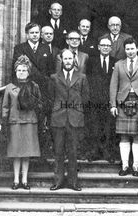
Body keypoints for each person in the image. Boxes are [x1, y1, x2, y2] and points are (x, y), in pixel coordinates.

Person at [109, 37, 138, 177]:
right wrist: (113, 105)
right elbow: (113, 86)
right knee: (124, 136)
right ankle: (125, 166)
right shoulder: (118, 64)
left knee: (137, 136)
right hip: (122, 102)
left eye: (132, 48)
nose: (130, 51)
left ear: (137, 48)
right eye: (127, 49)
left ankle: (136, 167)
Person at [48, 49, 89, 191]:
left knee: (73, 152)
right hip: (58, 119)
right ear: (61, 60)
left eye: (70, 59)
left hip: (74, 119)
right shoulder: (54, 77)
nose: (67, 61)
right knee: (58, 151)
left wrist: (76, 112)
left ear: (74, 60)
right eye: (65, 59)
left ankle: (73, 182)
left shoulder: (82, 77)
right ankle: (58, 181)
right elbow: (50, 98)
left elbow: (85, 98)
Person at [2, 55, 41, 190]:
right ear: (15, 71)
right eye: (19, 70)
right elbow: (5, 106)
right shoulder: (10, 87)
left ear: (28, 72)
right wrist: (4, 122)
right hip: (15, 122)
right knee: (16, 152)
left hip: (30, 122)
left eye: (24, 70)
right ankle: (15, 179)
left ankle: (24, 180)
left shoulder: (34, 86)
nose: (21, 73)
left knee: (26, 153)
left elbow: (39, 104)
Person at [86, 38, 117, 162]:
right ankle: (95, 152)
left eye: (108, 45)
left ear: (111, 48)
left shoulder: (116, 62)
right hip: (94, 100)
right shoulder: (91, 61)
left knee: (108, 127)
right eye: (103, 45)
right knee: (95, 126)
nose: (105, 47)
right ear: (98, 47)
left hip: (109, 100)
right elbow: (87, 80)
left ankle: (107, 153)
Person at [12, 22, 53, 91]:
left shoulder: (46, 48)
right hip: (26, 86)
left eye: (37, 33)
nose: (35, 35)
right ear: (27, 34)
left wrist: (47, 81)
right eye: (32, 33)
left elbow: (50, 68)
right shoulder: (19, 48)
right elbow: (20, 67)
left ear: (40, 34)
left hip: (43, 85)